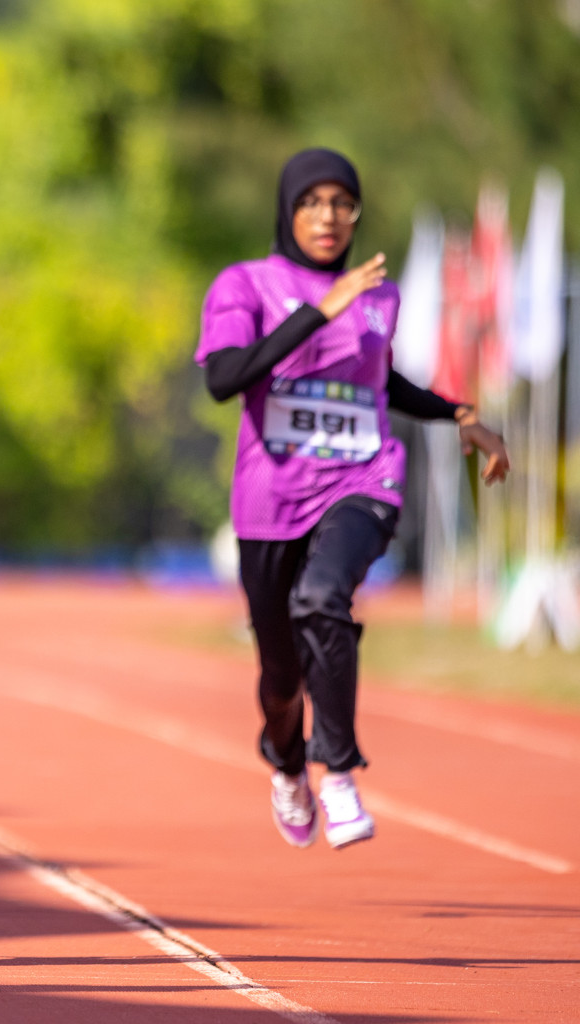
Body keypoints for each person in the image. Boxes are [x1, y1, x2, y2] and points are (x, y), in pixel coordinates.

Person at [196, 148, 509, 851]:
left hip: (361, 479)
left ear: (356, 212)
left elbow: (380, 385)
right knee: (279, 678)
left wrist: (460, 415)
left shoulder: (378, 296)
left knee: (323, 597)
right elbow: (224, 379)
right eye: (312, 202)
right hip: (271, 500)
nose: (328, 216)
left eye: (342, 202)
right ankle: (286, 762)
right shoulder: (244, 285)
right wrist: (316, 312)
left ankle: (338, 769)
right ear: (288, 210)